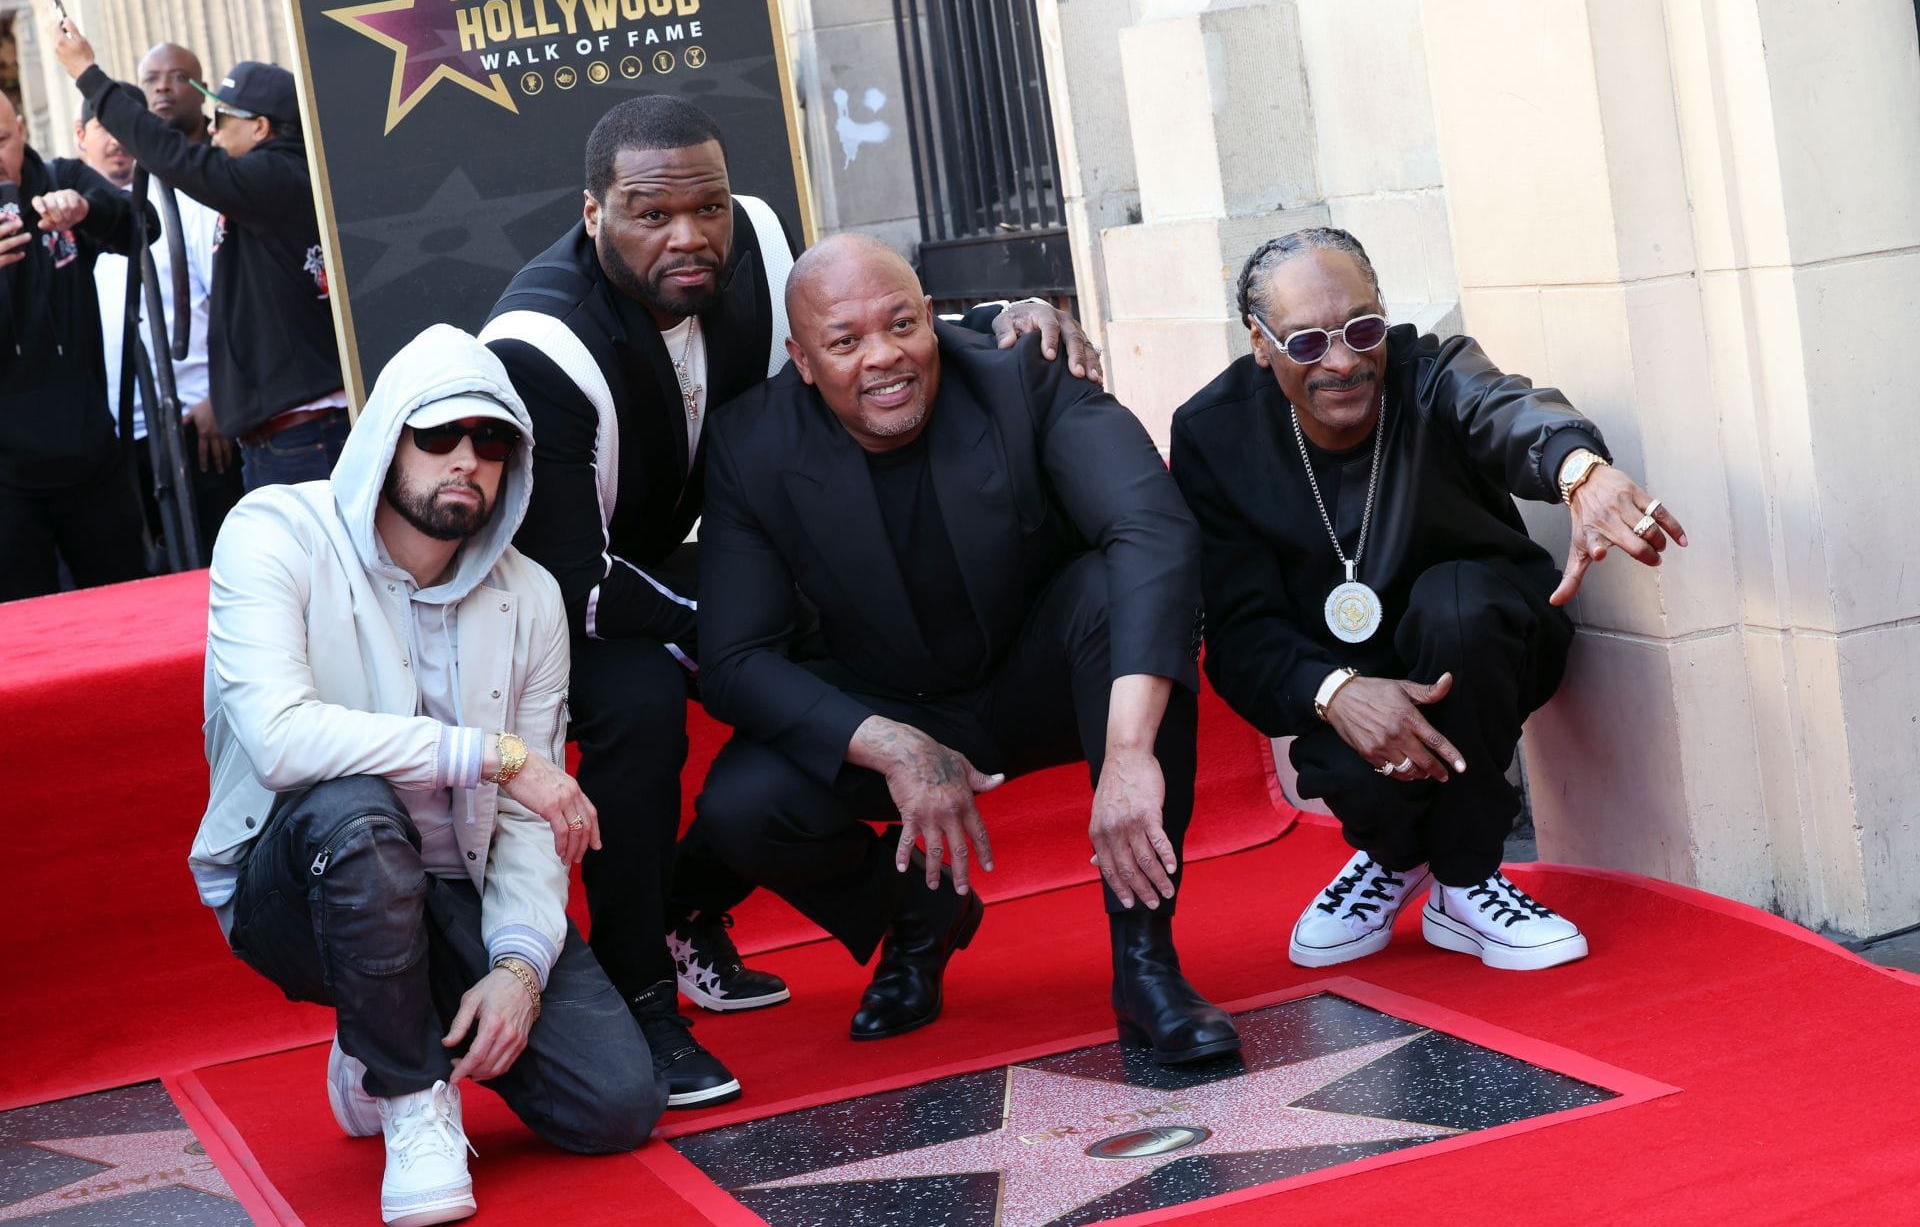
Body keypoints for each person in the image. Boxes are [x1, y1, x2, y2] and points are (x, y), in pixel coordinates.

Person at [481, 96, 1101, 1106]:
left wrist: (990, 323)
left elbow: (848, 327)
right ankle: (640, 993)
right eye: (650, 214)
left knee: (813, 666)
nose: (689, 236)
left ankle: (691, 905)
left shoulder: (756, 240)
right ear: (593, 216)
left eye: (708, 208)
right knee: (642, 705)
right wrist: (737, 632)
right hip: (571, 591)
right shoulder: (539, 342)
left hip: (693, 549)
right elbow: (580, 584)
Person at [692, 234, 1240, 1065]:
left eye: (902, 324)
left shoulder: (1024, 368)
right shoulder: (751, 444)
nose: (884, 358)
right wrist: (894, 746)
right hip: (893, 702)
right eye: (845, 342)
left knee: (1115, 600)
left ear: (931, 316)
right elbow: (734, 658)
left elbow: (1150, 529)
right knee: (743, 804)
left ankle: (1146, 967)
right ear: (803, 361)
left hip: (1041, 675)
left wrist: (1129, 752)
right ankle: (918, 920)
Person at [193, 325, 660, 1227]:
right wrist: (490, 755)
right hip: (290, 882)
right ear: (387, 435)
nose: (467, 461)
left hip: (457, 889)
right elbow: (283, 742)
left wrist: (521, 966)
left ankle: (379, 1027)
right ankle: (409, 1096)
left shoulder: (529, 598)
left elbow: (527, 824)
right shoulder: (275, 534)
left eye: (492, 442)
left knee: (616, 1104)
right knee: (356, 812)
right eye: (439, 434)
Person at [1170, 228, 1684, 972]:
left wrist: (1579, 471)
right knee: (1353, 771)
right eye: (1308, 343)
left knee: (1459, 605)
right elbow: (1241, 627)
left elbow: (1506, 410)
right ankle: (1397, 855)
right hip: (1339, 675)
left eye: (1362, 328)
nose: (1344, 361)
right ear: (1259, 342)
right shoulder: (1213, 434)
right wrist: (1336, 691)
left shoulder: (1430, 370)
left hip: (1484, 640)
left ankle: (1467, 878)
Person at [54, 18, 346, 490]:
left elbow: (176, 157)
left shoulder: (273, 177)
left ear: (259, 127)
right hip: (291, 431)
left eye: (223, 117)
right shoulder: (273, 182)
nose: (211, 127)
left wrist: (88, 73)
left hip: (305, 436)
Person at [78, 87, 241, 558]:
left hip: (197, 426)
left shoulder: (187, 207)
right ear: (79, 137)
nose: (115, 140)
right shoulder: (71, 218)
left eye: (123, 125)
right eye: (101, 126)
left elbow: (231, 306)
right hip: (116, 443)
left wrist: (218, 398)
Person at [0, 90, 148, 601]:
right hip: (7, 478)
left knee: (125, 613)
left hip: (89, 452)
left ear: (21, 129)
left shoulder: (61, 177)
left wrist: (86, 210)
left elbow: (140, 227)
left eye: (1, 140)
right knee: (26, 643)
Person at [138, 42, 213, 147]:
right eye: (151, 79)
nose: (162, 86)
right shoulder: (127, 157)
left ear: (202, 92)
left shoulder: (231, 151)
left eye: (179, 77)